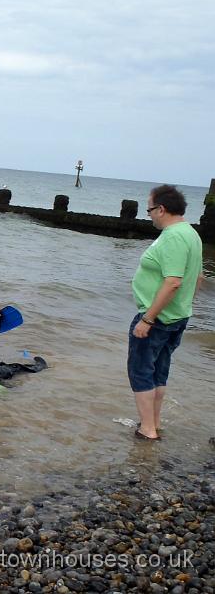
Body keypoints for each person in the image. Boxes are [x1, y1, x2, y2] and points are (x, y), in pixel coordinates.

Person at [129, 185, 203, 441]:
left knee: (140, 371)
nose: (148, 215)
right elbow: (198, 277)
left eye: (149, 209)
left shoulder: (173, 236)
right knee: (158, 371)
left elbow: (173, 281)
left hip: (157, 319)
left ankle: (147, 429)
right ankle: (154, 423)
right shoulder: (191, 233)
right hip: (177, 317)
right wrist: (183, 305)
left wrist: (148, 318)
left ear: (161, 209)